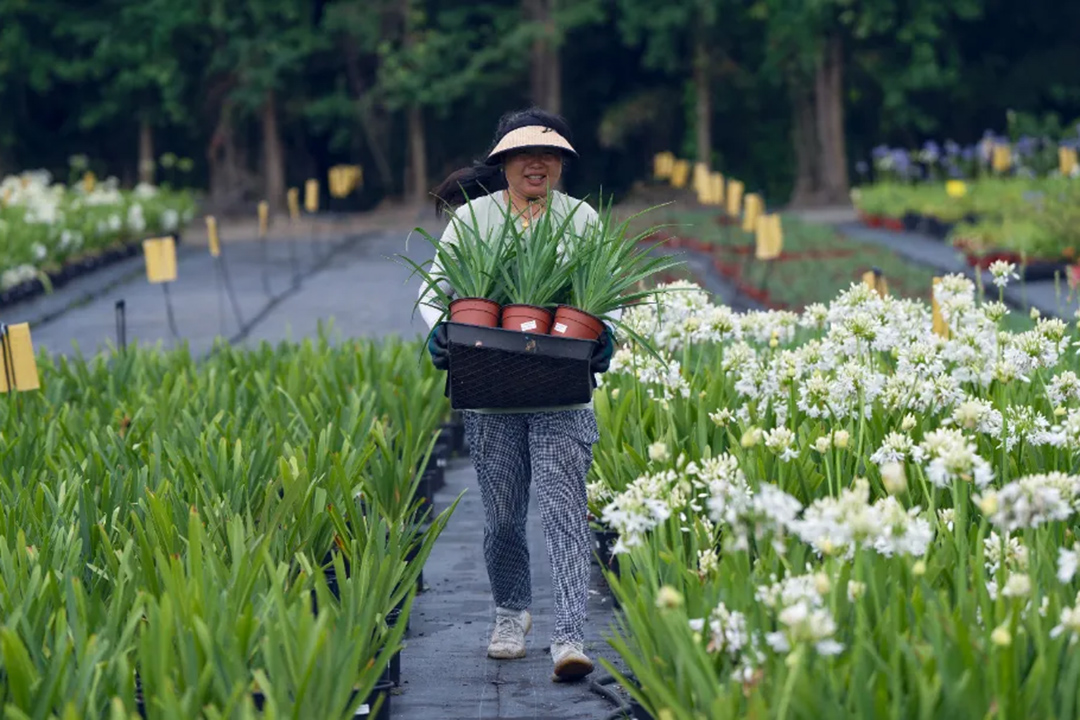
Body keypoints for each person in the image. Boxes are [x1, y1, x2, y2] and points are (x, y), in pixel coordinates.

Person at [417, 108, 614, 682]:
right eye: (524, 154)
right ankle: (510, 613)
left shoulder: (582, 220)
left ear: (561, 163)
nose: (537, 163)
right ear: (502, 161)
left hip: (563, 394)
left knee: (563, 513)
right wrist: (437, 332)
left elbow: (606, 298)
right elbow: (437, 292)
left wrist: (607, 336)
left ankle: (571, 636)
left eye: (549, 154)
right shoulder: (472, 221)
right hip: (490, 393)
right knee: (503, 517)